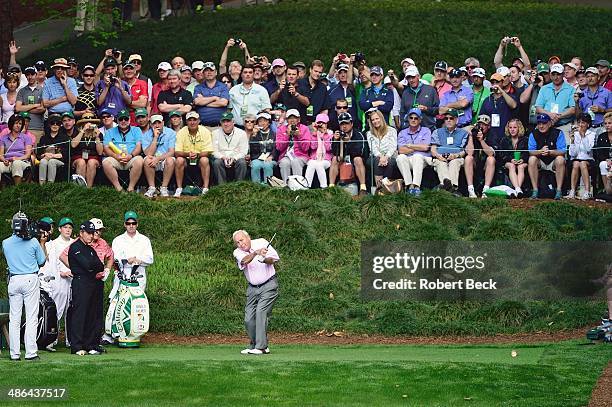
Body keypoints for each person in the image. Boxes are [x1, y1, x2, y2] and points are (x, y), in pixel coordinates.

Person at [2, 212, 48, 361]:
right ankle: (30, 353)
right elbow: (41, 261)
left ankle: (14, 354)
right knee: (31, 317)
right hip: (29, 279)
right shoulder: (33, 242)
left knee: (14, 319)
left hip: (14, 280)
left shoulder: (5, 242)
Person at [233, 229, 279, 355]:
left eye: (241, 240)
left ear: (248, 238)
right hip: (252, 288)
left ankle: (262, 347)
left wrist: (264, 258)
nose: (240, 244)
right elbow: (245, 261)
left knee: (261, 312)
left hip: (269, 285)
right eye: (237, 242)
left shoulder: (262, 242)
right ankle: (255, 345)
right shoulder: (237, 252)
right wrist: (255, 253)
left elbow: (274, 260)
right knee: (248, 318)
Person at [67, 221, 105, 355]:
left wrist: (93, 265)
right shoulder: (75, 247)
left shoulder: (89, 249)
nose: (91, 236)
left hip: (92, 283)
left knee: (91, 315)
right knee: (80, 314)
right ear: (81, 233)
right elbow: (87, 265)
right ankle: (76, 346)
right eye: (88, 233)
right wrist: (92, 265)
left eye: (92, 233)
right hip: (81, 283)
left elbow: (100, 265)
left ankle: (90, 345)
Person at [39, 217, 74, 351]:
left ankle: (70, 340)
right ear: (60, 229)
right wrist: (62, 272)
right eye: (65, 227)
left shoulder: (75, 243)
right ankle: (50, 339)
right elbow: (47, 263)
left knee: (71, 311)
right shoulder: (52, 244)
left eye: (70, 227)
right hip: (58, 282)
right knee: (56, 311)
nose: (68, 230)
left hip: (73, 281)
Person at [108, 211, 153, 315]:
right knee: (119, 306)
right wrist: (126, 260)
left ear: (137, 224)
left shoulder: (144, 240)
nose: (131, 226)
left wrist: (139, 260)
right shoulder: (118, 240)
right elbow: (115, 259)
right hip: (122, 276)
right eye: (128, 223)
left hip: (139, 276)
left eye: (133, 223)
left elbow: (150, 259)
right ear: (124, 224)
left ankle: (135, 330)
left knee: (136, 306)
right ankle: (118, 329)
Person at [102, 109, 144, 192]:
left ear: (129, 119)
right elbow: (106, 148)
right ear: (117, 120)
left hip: (130, 157)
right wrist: (115, 156)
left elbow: (138, 146)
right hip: (116, 158)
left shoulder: (136, 130)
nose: (123, 121)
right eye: (121, 119)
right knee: (105, 162)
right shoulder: (110, 132)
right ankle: (118, 188)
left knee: (139, 160)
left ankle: (131, 188)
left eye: (126, 119)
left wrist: (131, 156)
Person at [329, 112, 369, 195]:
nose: (344, 126)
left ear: (351, 123)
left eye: (346, 123)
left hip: (356, 161)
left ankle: (363, 188)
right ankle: (331, 187)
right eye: (342, 124)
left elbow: (360, 152)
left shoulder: (359, 135)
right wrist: (336, 141)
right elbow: (334, 152)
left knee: (358, 159)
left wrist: (349, 142)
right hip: (342, 159)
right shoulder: (337, 135)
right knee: (334, 159)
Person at [430, 109, 469, 195]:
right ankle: (452, 189)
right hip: (440, 157)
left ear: (456, 120)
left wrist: (455, 155)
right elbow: (433, 149)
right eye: (446, 118)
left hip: (456, 157)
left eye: (451, 118)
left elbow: (464, 151)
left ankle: (445, 186)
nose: (448, 120)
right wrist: (438, 156)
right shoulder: (437, 132)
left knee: (454, 162)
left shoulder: (464, 133)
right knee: (440, 163)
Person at [527, 114, 566, 200]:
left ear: (549, 123)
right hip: (540, 161)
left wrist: (551, 152)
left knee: (560, 159)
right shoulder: (533, 134)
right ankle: (535, 191)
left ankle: (559, 191)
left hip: (553, 162)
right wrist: (540, 152)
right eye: (539, 123)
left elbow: (563, 150)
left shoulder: (558, 133)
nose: (541, 126)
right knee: (532, 159)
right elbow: (530, 151)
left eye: (544, 123)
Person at [174, 111, 213, 196]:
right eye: (190, 120)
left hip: (199, 157)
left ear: (199, 121)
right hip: (186, 158)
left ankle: (205, 188)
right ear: (186, 122)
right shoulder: (181, 132)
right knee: (179, 160)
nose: (192, 122)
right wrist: (188, 154)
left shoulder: (205, 131)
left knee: (205, 160)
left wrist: (198, 155)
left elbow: (208, 151)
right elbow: (177, 152)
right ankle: (179, 188)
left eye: (194, 120)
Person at [396, 108, 432, 196]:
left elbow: (426, 147)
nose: (413, 120)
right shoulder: (402, 133)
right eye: (411, 117)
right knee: (400, 157)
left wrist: (410, 146)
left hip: (422, 159)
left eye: (416, 118)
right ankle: (409, 186)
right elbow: (401, 150)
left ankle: (416, 187)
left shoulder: (426, 131)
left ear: (420, 120)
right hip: (408, 159)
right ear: (408, 119)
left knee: (417, 156)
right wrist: (418, 146)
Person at [535, 64, 575, 143]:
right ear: (550, 74)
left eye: (558, 74)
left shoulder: (570, 89)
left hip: (564, 126)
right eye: (553, 74)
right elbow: (538, 107)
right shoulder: (544, 88)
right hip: (546, 125)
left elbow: (572, 109)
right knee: (541, 148)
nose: (556, 77)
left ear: (563, 74)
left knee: (565, 149)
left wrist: (558, 116)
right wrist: (550, 114)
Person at [142, 114, 176, 198]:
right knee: (147, 160)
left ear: (163, 123)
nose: (157, 125)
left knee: (170, 160)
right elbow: (148, 154)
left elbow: (171, 152)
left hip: (164, 158)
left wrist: (159, 158)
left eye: (159, 123)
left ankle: (164, 188)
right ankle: (152, 188)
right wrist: (155, 137)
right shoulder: (146, 135)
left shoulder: (171, 133)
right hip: (152, 159)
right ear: (151, 124)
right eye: (154, 123)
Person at [212, 112, 249, 184]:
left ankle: (239, 185)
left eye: (228, 121)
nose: (226, 124)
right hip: (222, 158)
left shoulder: (241, 133)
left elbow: (244, 151)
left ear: (233, 122)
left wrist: (234, 158)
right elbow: (214, 151)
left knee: (242, 162)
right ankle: (222, 186)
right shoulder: (215, 133)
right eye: (223, 121)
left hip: (236, 158)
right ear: (220, 123)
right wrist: (222, 157)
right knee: (217, 162)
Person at [465, 115, 496, 198]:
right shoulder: (474, 133)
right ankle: (470, 190)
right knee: (468, 158)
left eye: (484, 125)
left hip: (486, 165)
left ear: (488, 126)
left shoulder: (492, 135)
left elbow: (491, 154)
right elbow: (470, 153)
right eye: (480, 124)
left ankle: (486, 190)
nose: (481, 127)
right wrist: (471, 136)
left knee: (491, 159)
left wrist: (481, 141)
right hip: (475, 163)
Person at [399, 66, 439, 131]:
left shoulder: (430, 90)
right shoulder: (405, 93)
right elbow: (402, 112)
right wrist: (404, 126)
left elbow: (438, 109)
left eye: (413, 77)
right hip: (409, 131)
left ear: (418, 76)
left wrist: (426, 109)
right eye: (408, 78)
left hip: (428, 128)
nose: (411, 80)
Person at [566, 114, 596, 200]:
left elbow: (588, 150)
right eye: (579, 122)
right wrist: (572, 141)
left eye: (583, 122)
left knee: (582, 163)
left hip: (588, 159)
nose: (580, 125)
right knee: (575, 163)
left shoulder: (592, 134)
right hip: (576, 159)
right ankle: (572, 191)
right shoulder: (575, 134)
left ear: (588, 124)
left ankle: (587, 192)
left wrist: (583, 135)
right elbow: (572, 154)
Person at [193, 62, 230, 132]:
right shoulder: (198, 88)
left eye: (211, 70)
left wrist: (204, 102)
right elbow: (197, 101)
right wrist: (214, 98)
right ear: (203, 73)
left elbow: (224, 103)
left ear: (216, 72)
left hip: (220, 127)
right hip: (202, 127)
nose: (209, 72)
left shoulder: (223, 86)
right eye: (206, 71)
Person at [275, 109, 311, 182]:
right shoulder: (281, 129)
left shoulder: (304, 128)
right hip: (286, 155)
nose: (292, 120)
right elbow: (279, 147)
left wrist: (299, 135)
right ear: (287, 120)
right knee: (284, 163)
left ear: (298, 119)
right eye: (290, 118)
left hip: (300, 155)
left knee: (295, 162)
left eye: (294, 118)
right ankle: (286, 186)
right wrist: (287, 135)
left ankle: (297, 186)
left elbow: (306, 148)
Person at [366, 109, 397, 189]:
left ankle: (386, 189)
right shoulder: (369, 133)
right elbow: (373, 149)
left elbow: (393, 146)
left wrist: (386, 157)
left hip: (390, 156)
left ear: (381, 118)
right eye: (373, 120)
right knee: (377, 160)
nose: (375, 121)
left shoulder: (392, 130)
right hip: (374, 157)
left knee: (389, 162)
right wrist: (381, 157)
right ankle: (379, 188)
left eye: (377, 118)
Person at [71, 112, 104, 188]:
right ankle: (80, 188)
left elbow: (100, 152)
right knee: (81, 162)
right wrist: (82, 131)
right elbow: (73, 145)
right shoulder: (77, 132)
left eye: (91, 122)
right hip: (78, 157)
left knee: (91, 162)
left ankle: (89, 188)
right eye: (86, 122)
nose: (89, 124)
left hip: (93, 157)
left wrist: (97, 137)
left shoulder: (99, 134)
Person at [576, 67, 611, 135]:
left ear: (598, 77)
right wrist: (576, 102)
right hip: (586, 129)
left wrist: (602, 110)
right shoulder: (582, 94)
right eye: (588, 76)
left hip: (603, 127)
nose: (590, 78)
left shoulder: (607, 93)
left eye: (592, 76)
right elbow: (578, 116)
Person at [498, 118, 529, 197]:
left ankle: (516, 190)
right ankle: (518, 189)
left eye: (515, 127)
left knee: (520, 167)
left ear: (519, 128)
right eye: (510, 127)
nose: (512, 130)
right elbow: (501, 154)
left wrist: (522, 159)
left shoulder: (525, 139)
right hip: (508, 162)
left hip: (522, 162)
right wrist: (511, 159)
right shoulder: (504, 140)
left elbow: (528, 153)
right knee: (512, 166)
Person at [0, 114, 32, 184]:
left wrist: (17, 158)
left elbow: (28, 155)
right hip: (7, 163)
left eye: (20, 124)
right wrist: (4, 160)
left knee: (16, 163)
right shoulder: (3, 138)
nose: (18, 125)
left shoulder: (26, 138)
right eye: (16, 123)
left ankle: (17, 190)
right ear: (11, 124)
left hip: (22, 162)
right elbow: (1, 155)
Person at [37, 114, 70, 184]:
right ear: (49, 125)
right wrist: (45, 154)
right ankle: (41, 185)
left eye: (57, 123)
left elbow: (66, 155)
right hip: (45, 158)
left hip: (59, 161)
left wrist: (52, 156)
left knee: (52, 161)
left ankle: (50, 185)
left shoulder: (65, 138)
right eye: (52, 123)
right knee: (43, 161)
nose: (55, 125)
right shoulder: (44, 138)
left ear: (60, 125)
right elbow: (39, 154)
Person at [15, 66, 44, 140]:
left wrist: (24, 108)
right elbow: (18, 108)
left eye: (32, 74)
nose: (30, 77)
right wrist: (34, 105)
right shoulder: (22, 91)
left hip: (37, 127)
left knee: (36, 151)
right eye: (28, 75)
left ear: (36, 75)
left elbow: (42, 109)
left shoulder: (42, 90)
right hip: (22, 128)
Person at [305, 113, 333, 188]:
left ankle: (324, 188)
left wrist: (324, 135)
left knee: (319, 165)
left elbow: (329, 148)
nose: (321, 125)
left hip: (326, 159)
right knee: (311, 164)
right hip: (315, 158)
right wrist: (315, 134)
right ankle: (306, 187)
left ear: (327, 124)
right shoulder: (314, 133)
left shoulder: (331, 134)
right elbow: (313, 147)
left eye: (323, 123)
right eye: (319, 123)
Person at [249, 112, 277, 184]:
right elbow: (252, 149)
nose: (262, 123)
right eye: (260, 121)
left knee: (267, 165)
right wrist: (254, 135)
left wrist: (271, 156)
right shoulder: (255, 134)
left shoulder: (274, 134)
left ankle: (268, 186)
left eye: (265, 121)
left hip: (270, 158)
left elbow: (276, 148)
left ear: (269, 122)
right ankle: (256, 186)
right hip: (258, 158)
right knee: (255, 165)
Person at [594, 112, 612, 195]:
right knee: (602, 164)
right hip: (607, 161)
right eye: (605, 123)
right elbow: (599, 153)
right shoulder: (601, 136)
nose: (607, 125)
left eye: (609, 123)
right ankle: (607, 190)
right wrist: (606, 159)